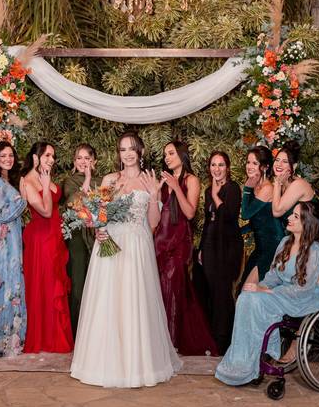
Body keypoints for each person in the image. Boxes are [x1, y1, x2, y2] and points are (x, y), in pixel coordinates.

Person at [71, 132, 183, 387]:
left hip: (137, 246)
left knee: (134, 301)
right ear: (118, 154)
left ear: (140, 151)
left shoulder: (148, 179)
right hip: (110, 245)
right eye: (123, 150)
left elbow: (153, 224)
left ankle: (136, 364)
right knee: (108, 302)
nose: (128, 154)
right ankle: (104, 364)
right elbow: (100, 213)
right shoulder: (110, 179)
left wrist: (153, 196)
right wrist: (99, 229)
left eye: (131, 148)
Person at [215, 202, 319, 386]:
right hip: (281, 294)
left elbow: (303, 289)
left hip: (305, 297)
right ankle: (243, 362)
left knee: (257, 301)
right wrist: (259, 287)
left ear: (308, 223)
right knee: (245, 297)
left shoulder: (315, 251)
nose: (289, 218)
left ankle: (259, 357)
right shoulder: (284, 243)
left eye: (295, 216)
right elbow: (273, 276)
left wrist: (267, 292)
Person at [153, 141, 217, 356]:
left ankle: (175, 340)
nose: (167, 157)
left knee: (175, 288)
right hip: (160, 241)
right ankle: (161, 339)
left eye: (171, 153)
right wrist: (156, 192)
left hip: (179, 241)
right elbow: (157, 213)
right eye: (165, 154)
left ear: (182, 155)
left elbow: (189, 213)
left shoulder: (191, 180)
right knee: (161, 289)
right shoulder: (164, 180)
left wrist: (175, 187)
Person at [20, 142, 73, 353]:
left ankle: (56, 335)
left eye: (53, 156)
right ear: (36, 157)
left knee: (54, 282)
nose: (51, 159)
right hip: (40, 240)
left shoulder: (45, 177)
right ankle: (45, 338)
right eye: (47, 155)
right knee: (46, 286)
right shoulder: (27, 181)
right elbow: (46, 211)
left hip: (54, 237)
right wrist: (46, 183)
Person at [0, 141, 28, 357]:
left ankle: (14, 339)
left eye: (11, 155)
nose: (8, 159)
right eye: (3, 156)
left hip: (13, 238)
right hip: (1, 240)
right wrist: (23, 200)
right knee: (2, 284)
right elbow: (1, 214)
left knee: (13, 283)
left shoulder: (9, 180)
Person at [197, 151, 242, 354]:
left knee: (223, 293)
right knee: (212, 293)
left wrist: (216, 196)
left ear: (227, 168)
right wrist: (201, 248)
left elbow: (228, 218)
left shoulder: (233, 189)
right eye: (213, 165)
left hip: (227, 247)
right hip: (210, 246)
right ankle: (213, 338)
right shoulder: (208, 190)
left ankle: (225, 342)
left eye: (221, 165)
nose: (217, 169)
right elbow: (209, 221)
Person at [61, 144, 102, 337]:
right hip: (77, 236)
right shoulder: (69, 181)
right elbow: (74, 203)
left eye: (87, 158)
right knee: (78, 282)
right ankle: (77, 333)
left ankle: (96, 331)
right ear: (74, 161)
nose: (83, 162)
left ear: (94, 161)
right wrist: (86, 179)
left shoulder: (102, 181)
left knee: (99, 283)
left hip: (98, 236)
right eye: (79, 158)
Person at [240, 146, 284, 287]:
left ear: (265, 167)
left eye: (255, 163)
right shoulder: (256, 186)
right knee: (244, 287)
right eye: (248, 162)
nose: (249, 166)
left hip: (272, 247)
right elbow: (257, 221)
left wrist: (247, 188)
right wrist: (236, 232)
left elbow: (246, 214)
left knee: (248, 289)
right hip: (260, 247)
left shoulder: (267, 188)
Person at [271, 141, 315, 226]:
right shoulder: (282, 182)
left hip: (308, 232)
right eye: (277, 160)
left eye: (285, 161)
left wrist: (277, 184)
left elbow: (276, 212)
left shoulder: (298, 184)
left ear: (294, 166)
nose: (279, 164)